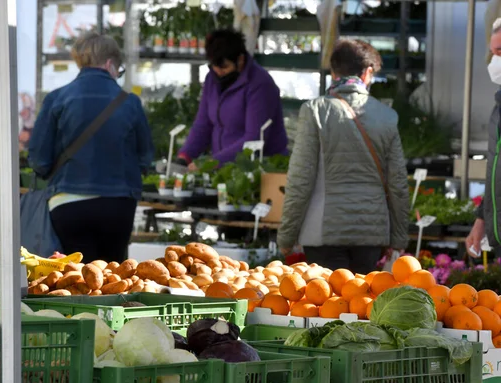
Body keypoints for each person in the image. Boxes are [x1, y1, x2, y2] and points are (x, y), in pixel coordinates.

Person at [277, 39, 409, 274]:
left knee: (327, 305)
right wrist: (398, 239)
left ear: (333, 72)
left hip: (323, 234)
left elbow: (300, 180)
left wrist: (286, 237)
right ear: (368, 72)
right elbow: (398, 183)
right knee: (361, 304)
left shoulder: (315, 111)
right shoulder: (387, 116)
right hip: (371, 233)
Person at [28, 31, 154, 263]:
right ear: (109, 64)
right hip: (118, 204)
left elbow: (38, 160)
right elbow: (146, 159)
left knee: (77, 274)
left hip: (67, 204)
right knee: (112, 275)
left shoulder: (56, 99)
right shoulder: (130, 103)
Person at [177, 29, 288, 169]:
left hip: (259, 168)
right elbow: (203, 124)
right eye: (214, 66)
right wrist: (185, 155)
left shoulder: (260, 85)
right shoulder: (212, 80)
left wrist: (212, 163)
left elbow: (253, 139)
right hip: (224, 168)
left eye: (224, 67)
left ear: (240, 60)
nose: (218, 72)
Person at [466, 18, 501, 256]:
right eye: (493, 53)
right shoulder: (498, 106)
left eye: (500, 52)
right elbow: (495, 169)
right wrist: (482, 220)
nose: (495, 61)